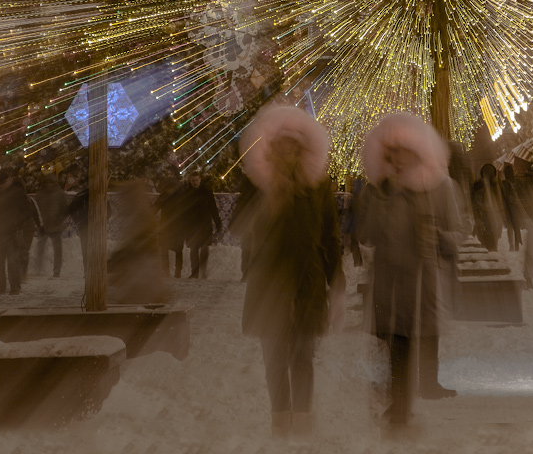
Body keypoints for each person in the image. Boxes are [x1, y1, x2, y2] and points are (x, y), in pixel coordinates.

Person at [239, 104, 341, 436]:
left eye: (293, 145)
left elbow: (329, 236)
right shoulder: (258, 185)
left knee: (302, 356)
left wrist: (335, 278)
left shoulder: (319, 186)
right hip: (269, 286)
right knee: (273, 361)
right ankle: (280, 422)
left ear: (303, 148)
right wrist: (269, 202)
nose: (287, 151)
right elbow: (240, 228)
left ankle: (303, 423)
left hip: (307, 282)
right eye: (281, 144)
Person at [358, 111, 461, 429]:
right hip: (389, 283)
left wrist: (439, 237)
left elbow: (456, 233)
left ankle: (403, 406)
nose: (396, 159)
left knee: (411, 343)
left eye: (401, 151)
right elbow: (368, 235)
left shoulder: (440, 186)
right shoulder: (381, 190)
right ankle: (400, 405)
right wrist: (378, 199)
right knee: (396, 346)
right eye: (391, 153)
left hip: (420, 282)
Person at [0, 167, 30, 295]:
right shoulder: (14, 192)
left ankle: (11, 287)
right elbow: (26, 212)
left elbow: (26, 212)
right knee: (2, 261)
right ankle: (4, 287)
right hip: (2, 231)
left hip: (10, 231)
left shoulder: (15, 193)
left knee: (11, 260)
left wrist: (17, 223)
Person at [183, 169, 221, 279]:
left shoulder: (207, 192)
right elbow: (184, 211)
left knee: (204, 249)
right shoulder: (187, 193)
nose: (195, 182)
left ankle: (203, 271)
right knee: (194, 249)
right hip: (192, 226)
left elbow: (213, 209)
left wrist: (217, 222)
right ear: (190, 180)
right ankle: (195, 272)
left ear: (200, 180)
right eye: (193, 180)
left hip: (204, 226)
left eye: (196, 180)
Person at [32, 174, 70, 277]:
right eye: (47, 183)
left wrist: (59, 219)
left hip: (56, 225)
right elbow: (36, 209)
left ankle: (56, 271)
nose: (48, 185)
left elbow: (66, 209)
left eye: (51, 183)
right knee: (40, 248)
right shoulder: (40, 195)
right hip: (44, 226)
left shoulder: (60, 194)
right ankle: (38, 269)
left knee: (57, 250)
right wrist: (40, 223)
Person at [470, 164, 503, 253]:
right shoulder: (480, 186)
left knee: (490, 244)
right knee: (489, 244)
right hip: (486, 218)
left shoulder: (493, 186)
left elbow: (475, 204)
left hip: (489, 218)